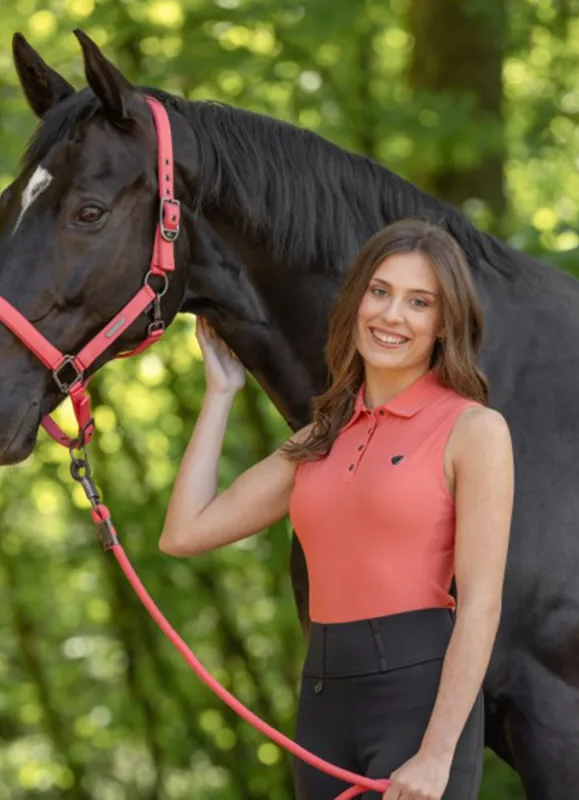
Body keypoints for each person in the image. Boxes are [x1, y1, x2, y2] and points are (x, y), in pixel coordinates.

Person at [159, 218, 514, 800]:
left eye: (418, 302)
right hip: (323, 696)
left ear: (444, 324)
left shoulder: (473, 430)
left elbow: (481, 604)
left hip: (417, 697)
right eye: (380, 292)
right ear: (354, 302)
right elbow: (185, 531)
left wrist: (437, 754)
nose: (392, 316)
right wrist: (220, 395)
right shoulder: (321, 436)